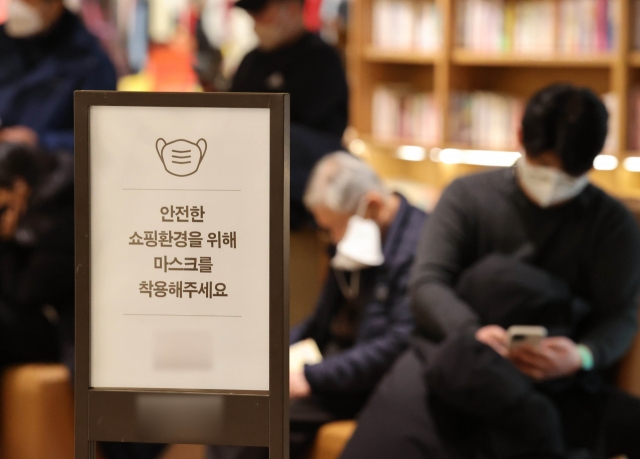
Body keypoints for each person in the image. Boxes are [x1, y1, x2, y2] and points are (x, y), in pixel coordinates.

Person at [340, 84, 640, 459]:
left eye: (568, 174)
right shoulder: (467, 197)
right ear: (519, 138)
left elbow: (621, 313)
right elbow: (428, 283)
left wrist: (582, 355)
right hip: (448, 362)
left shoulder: (612, 224)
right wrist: (472, 332)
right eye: (543, 166)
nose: (552, 181)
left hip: (550, 384)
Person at [207, 152, 427, 459]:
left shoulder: (421, 246)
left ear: (372, 205)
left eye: (334, 227)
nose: (332, 239)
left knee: (256, 428)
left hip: (366, 381)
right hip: (330, 368)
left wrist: (310, 377)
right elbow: (319, 320)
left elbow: (396, 345)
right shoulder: (356, 243)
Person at [0, 0, 117, 152]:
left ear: (55, 4)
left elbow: (100, 139)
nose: (18, 5)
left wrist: (40, 142)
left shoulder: (89, 60)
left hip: (48, 169)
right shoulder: (4, 42)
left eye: (28, 1)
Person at [0, 143, 74, 369]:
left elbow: (29, 292)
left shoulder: (63, 207)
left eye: (2, 209)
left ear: (20, 188)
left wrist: (7, 241)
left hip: (61, 327)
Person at [230, 0, 348, 139]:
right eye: (252, 16)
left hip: (307, 156)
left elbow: (309, 127)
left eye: (261, 14)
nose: (256, 23)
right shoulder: (251, 60)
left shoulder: (322, 59)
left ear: (292, 9)